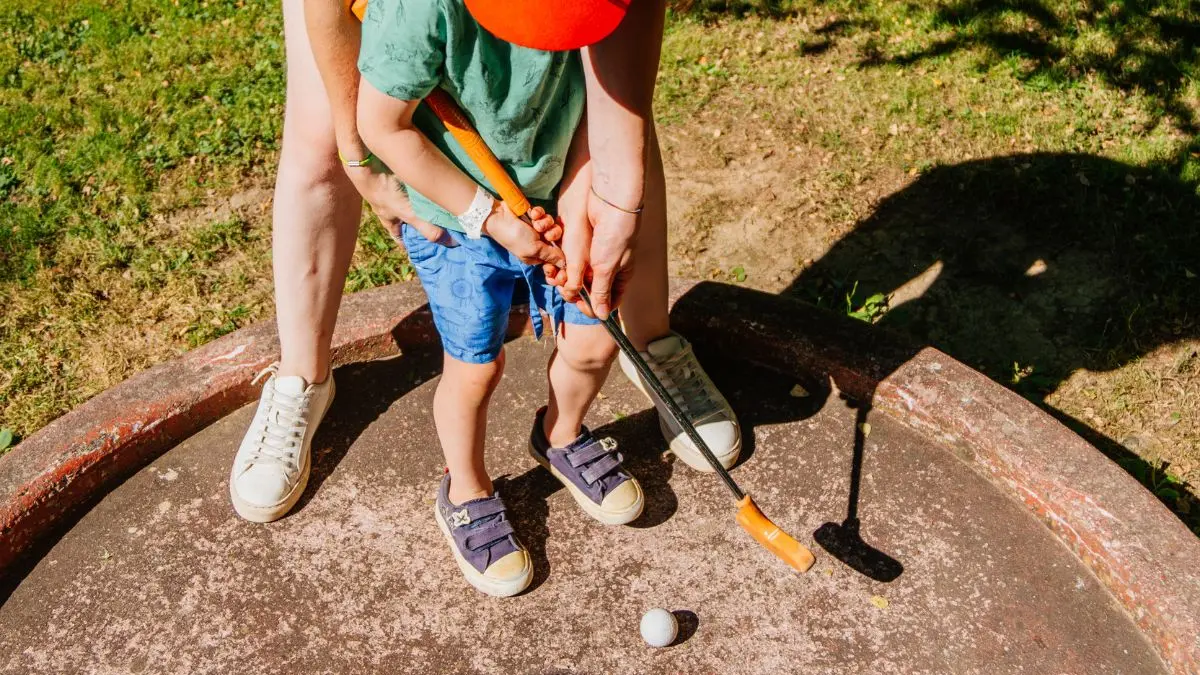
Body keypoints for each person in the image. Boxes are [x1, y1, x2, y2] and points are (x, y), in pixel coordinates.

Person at [229, 0, 740, 538]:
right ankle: (464, 488)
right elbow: (381, 125)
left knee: (593, 342)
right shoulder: (418, 12)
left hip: (550, 198)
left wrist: (593, 190)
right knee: (476, 370)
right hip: (461, 223)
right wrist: (486, 215)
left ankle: (560, 436)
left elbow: (604, 92)